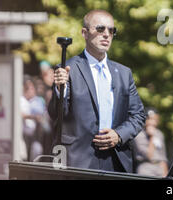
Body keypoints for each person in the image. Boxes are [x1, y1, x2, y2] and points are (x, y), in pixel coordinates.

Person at [49, 9, 146, 172]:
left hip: (116, 160)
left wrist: (119, 135)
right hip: (78, 161)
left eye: (111, 30)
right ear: (85, 33)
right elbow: (56, 114)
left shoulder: (123, 73)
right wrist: (61, 90)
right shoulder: (67, 69)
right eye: (100, 29)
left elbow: (138, 115)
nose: (106, 34)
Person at [132, 108, 168, 176]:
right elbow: (148, 156)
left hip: (159, 167)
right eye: (149, 119)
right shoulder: (139, 135)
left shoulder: (159, 134)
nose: (152, 122)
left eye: (155, 119)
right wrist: (152, 137)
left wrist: (165, 173)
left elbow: (163, 157)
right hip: (146, 167)